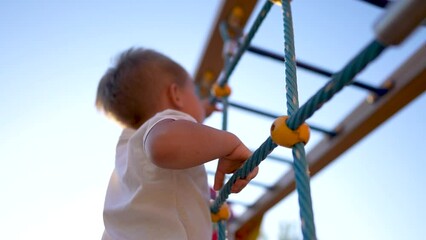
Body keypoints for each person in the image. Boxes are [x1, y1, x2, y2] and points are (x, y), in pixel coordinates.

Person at [96, 47, 258, 240]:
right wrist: (230, 143)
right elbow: (164, 143)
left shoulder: (130, 149)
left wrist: (200, 111)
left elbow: (181, 135)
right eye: (196, 94)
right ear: (176, 95)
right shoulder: (164, 125)